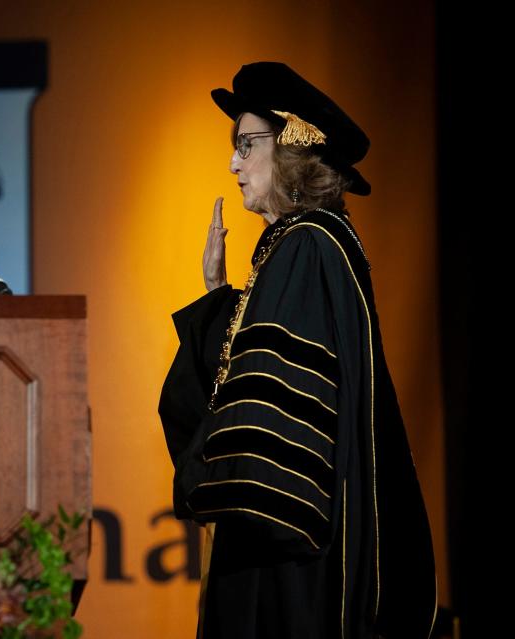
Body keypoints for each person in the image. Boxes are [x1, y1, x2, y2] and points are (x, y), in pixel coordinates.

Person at [158, 62, 436, 638]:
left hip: (289, 571)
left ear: (292, 144)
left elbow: (267, 462)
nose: (233, 163)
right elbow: (249, 393)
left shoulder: (308, 248)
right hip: (291, 553)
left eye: (246, 145)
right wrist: (217, 298)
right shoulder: (304, 247)